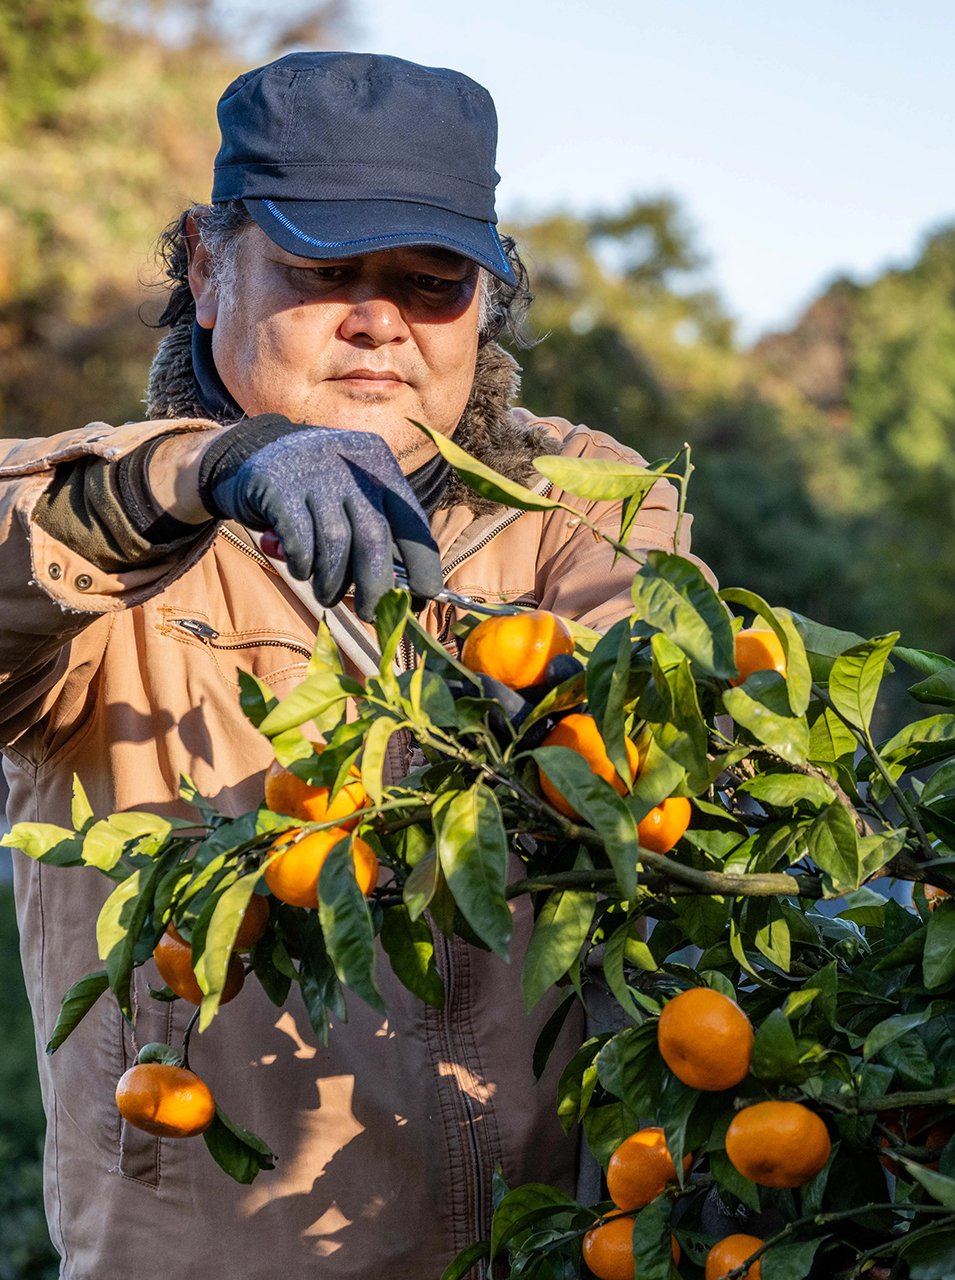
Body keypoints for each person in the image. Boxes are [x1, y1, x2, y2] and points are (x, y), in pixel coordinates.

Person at [1, 52, 705, 1276]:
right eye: (326, 272)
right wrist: (199, 473)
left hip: (538, 1250)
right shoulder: (118, 536)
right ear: (209, 266)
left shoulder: (580, 504)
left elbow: (646, 710)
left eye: (431, 283)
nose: (380, 318)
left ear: (486, 303)